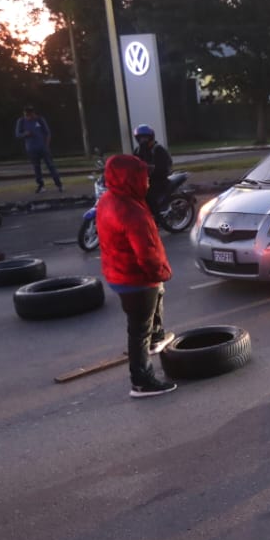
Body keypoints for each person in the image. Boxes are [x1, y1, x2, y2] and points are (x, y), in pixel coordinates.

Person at [96, 154, 177, 398]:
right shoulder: (132, 212)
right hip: (136, 280)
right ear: (130, 178)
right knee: (138, 330)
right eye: (144, 177)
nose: (148, 182)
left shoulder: (108, 200)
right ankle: (142, 382)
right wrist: (161, 273)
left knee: (153, 303)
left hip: (118, 273)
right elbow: (148, 254)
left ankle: (156, 338)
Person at [14, 105, 62, 193]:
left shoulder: (39, 120)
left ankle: (58, 184)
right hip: (31, 148)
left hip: (42, 147)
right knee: (36, 167)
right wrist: (25, 134)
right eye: (26, 115)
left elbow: (47, 132)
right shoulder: (21, 121)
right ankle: (41, 185)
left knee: (50, 166)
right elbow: (17, 134)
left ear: (33, 114)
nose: (28, 117)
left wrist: (46, 145)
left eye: (29, 115)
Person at [132, 123, 173, 217]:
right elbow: (132, 162)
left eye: (145, 138)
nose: (143, 140)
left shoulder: (158, 149)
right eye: (140, 138)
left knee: (148, 195)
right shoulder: (137, 150)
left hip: (159, 179)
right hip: (144, 179)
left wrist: (150, 170)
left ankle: (156, 217)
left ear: (151, 137)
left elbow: (162, 168)